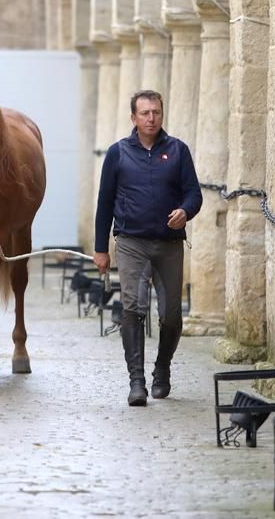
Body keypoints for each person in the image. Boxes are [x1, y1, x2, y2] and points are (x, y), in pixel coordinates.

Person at [93, 90, 202, 406]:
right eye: (144, 113)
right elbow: (104, 203)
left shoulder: (178, 151)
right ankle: (136, 382)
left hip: (169, 244)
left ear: (162, 114)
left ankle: (162, 369)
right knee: (133, 307)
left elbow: (194, 194)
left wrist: (186, 211)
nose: (151, 118)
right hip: (131, 242)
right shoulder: (118, 153)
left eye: (155, 112)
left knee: (170, 315)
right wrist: (101, 249)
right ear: (133, 118)